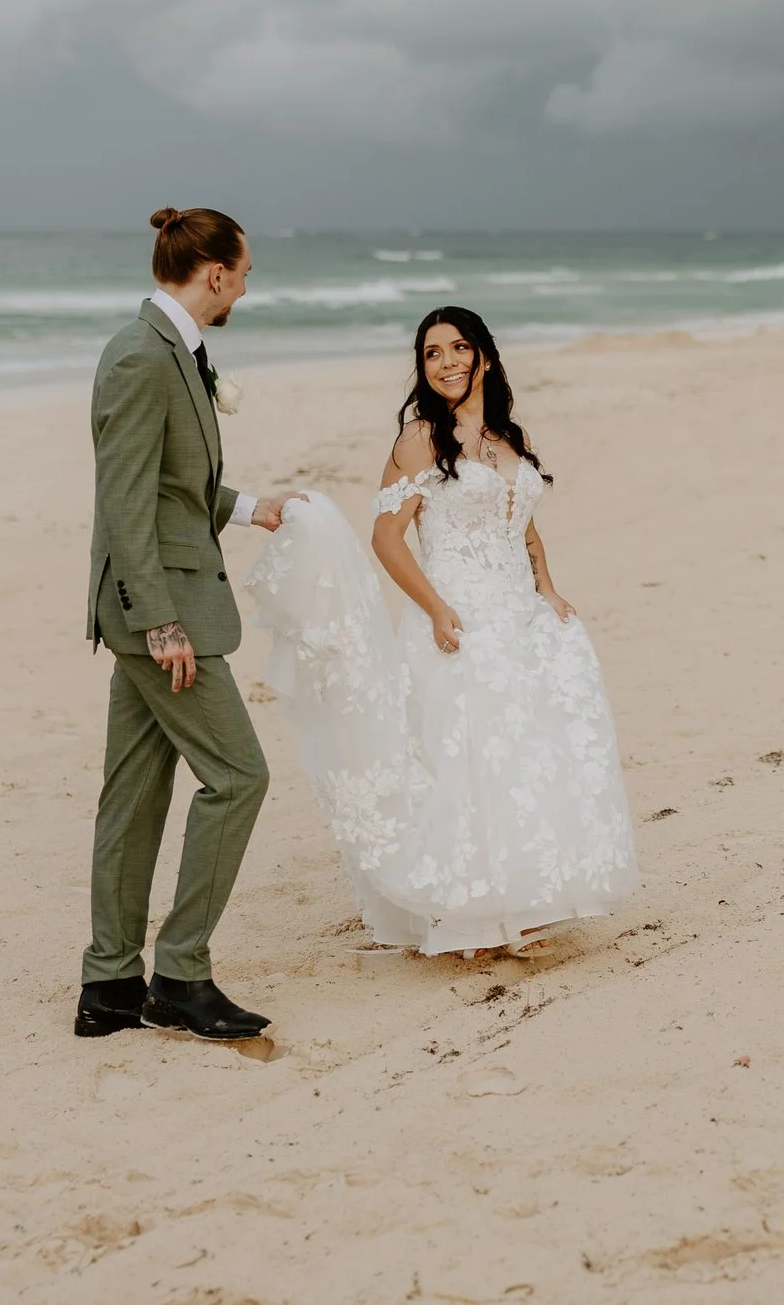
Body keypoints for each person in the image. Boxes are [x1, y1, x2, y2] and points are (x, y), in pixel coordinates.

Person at [245, 307, 639, 958]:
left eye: (460, 347)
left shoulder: (512, 434)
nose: (448, 361)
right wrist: (434, 607)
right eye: (433, 352)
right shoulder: (420, 438)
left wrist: (548, 586)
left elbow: (525, 524)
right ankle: (475, 920)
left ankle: (525, 903)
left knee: (525, 755)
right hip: (461, 618)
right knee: (470, 765)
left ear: (485, 355)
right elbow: (386, 537)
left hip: (520, 615)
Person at [74, 208, 298, 1041]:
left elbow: (175, 484)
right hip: (160, 611)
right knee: (240, 778)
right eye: (244, 271)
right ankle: (180, 974)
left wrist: (250, 508)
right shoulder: (140, 356)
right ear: (214, 273)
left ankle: (109, 988)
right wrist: (161, 621)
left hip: (156, 600)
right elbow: (123, 497)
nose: (247, 285)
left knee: (132, 797)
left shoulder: (178, 352)